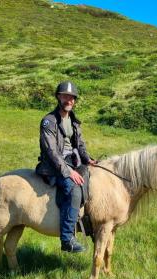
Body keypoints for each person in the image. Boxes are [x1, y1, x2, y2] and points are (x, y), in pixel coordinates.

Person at [35, 81, 96, 253]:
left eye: (71, 97)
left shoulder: (74, 121)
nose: (69, 100)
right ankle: (67, 239)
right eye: (65, 96)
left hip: (72, 160)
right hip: (54, 165)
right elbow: (52, 151)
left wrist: (88, 159)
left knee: (91, 182)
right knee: (73, 189)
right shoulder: (49, 121)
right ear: (58, 97)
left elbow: (80, 144)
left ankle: (87, 224)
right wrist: (68, 172)